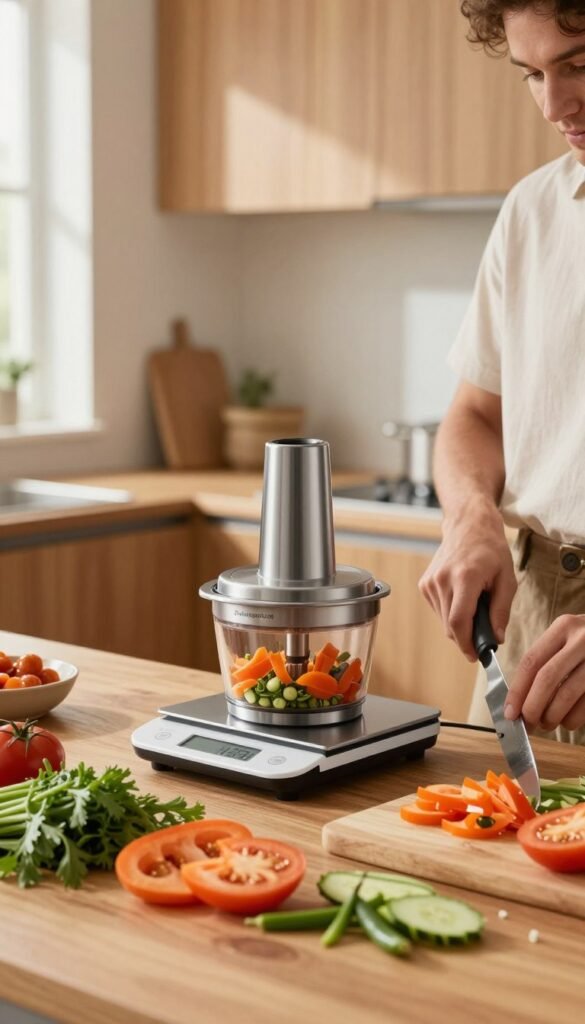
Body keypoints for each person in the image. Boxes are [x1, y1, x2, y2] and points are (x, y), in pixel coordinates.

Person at [418, 0, 585, 743]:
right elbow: (474, 416)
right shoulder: (531, 211)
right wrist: (471, 516)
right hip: (533, 619)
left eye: (578, 65)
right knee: (493, 850)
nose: (554, 105)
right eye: (531, 74)